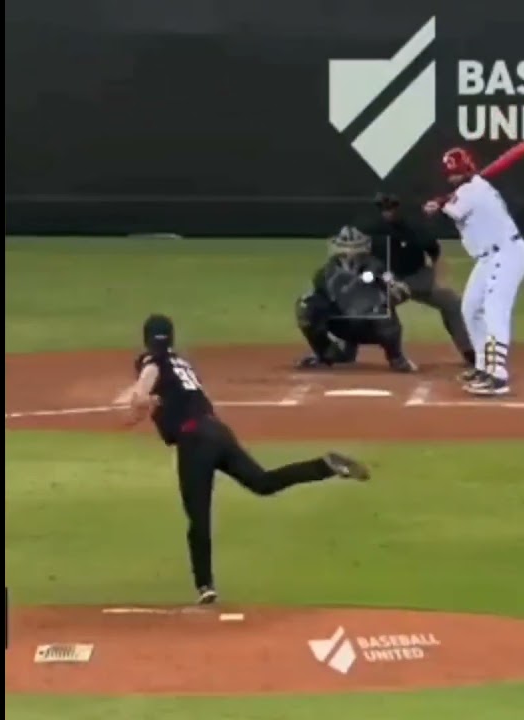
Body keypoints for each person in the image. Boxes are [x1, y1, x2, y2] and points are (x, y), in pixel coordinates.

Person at [113, 313, 371, 604]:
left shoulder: (152, 362)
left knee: (198, 517)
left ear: (147, 339)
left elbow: (142, 392)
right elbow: (174, 398)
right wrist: (152, 405)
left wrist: (143, 402)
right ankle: (324, 466)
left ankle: (205, 585)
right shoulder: (182, 364)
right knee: (263, 482)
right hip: (218, 432)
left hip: (194, 441)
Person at [422, 147, 524, 396]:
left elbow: (452, 209)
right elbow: (452, 203)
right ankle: (483, 366)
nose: (452, 177)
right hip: (488, 258)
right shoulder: (470, 189)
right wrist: (443, 201)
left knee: (494, 310)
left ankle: (497, 375)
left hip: (506, 255)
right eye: (450, 173)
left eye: (456, 172)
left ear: (467, 169)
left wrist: (439, 203)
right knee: (470, 308)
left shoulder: (474, 192)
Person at [359, 192, 476, 368]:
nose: (387, 212)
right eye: (383, 208)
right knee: (374, 305)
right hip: (390, 282)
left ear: (398, 208)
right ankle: (394, 356)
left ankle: (469, 352)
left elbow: (434, 251)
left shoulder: (414, 229)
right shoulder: (372, 231)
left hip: (418, 280)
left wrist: (437, 277)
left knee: (451, 302)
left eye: (391, 208)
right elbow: (363, 259)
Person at [294, 225, 418, 372]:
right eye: (345, 247)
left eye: (354, 247)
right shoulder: (325, 273)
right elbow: (318, 302)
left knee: (383, 309)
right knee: (306, 305)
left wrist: (393, 293)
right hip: (341, 325)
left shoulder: (377, 267)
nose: (349, 252)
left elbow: (401, 289)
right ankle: (327, 354)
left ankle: (396, 358)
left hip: (370, 326)